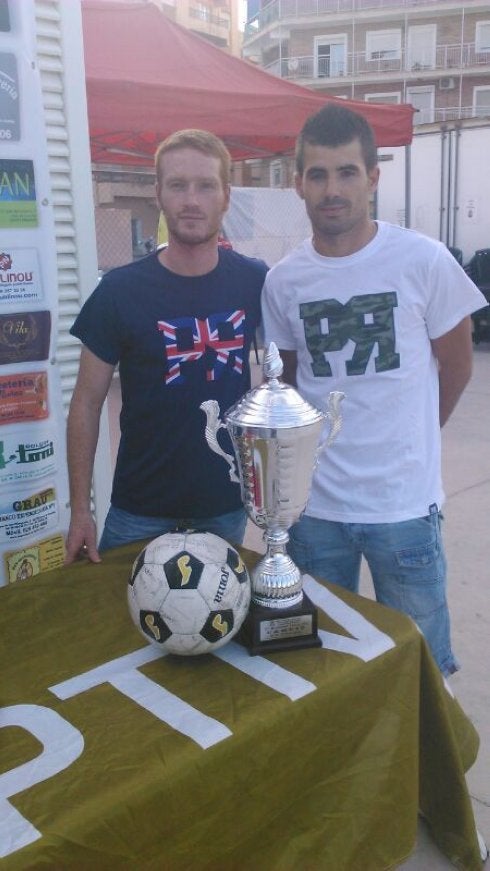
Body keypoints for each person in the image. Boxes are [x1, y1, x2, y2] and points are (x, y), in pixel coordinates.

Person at [261, 103, 487, 676]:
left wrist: (414, 435)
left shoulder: (423, 260)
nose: (332, 190)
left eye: (346, 172)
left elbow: (457, 365)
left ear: (373, 178)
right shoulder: (283, 280)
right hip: (316, 508)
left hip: (403, 507)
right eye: (318, 175)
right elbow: (286, 384)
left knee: (421, 667)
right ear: (298, 184)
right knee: (324, 665)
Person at [66, 129, 266, 564]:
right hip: (138, 510)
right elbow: (86, 402)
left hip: (225, 506)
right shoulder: (119, 291)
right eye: (178, 185)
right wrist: (80, 509)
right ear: (158, 193)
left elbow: (286, 378)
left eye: (206, 185)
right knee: (120, 612)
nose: (191, 200)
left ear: (226, 196)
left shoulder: (255, 281)